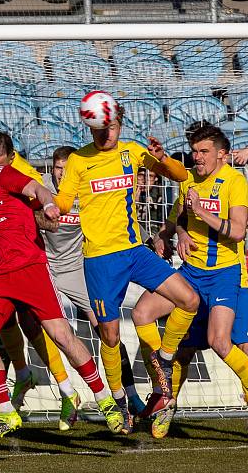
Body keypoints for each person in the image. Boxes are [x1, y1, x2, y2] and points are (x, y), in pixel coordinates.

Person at [0, 139, 124, 443]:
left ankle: (103, 399)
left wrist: (50, 204)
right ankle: (6, 413)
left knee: (62, 336)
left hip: (30, 268)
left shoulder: (2, 175)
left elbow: (37, 189)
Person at [54, 95, 198, 433]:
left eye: (112, 127)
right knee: (110, 334)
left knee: (189, 299)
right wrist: (49, 207)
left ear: (118, 122)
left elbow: (179, 175)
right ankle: (118, 398)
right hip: (101, 259)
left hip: (135, 251)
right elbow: (61, 201)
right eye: (100, 130)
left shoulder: (133, 151)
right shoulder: (78, 160)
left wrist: (163, 159)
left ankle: (163, 356)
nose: (106, 135)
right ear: (91, 127)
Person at [133, 124, 248, 445]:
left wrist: (201, 211)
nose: (197, 158)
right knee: (144, 313)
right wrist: (171, 234)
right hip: (190, 273)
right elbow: (178, 219)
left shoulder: (235, 182)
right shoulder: (188, 180)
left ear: (222, 155)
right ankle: (164, 395)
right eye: (195, 152)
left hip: (225, 275)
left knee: (224, 343)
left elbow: (238, 231)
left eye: (204, 152)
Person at [0, 132, 80, 432]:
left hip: (25, 257)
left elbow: (50, 220)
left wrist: (16, 214)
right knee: (3, 323)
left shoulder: (25, 176)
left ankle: (66, 391)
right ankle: (22, 375)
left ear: (9, 159)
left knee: (38, 324)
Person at [43, 146, 147, 425]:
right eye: (57, 168)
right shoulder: (42, 189)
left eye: (66, 168)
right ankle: (67, 394)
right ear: (51, 169)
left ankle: (129, 393)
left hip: (78, 266)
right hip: (46, 267)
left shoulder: (87, 186)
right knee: (48, 329)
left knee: (105, 328)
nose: (62, 173)